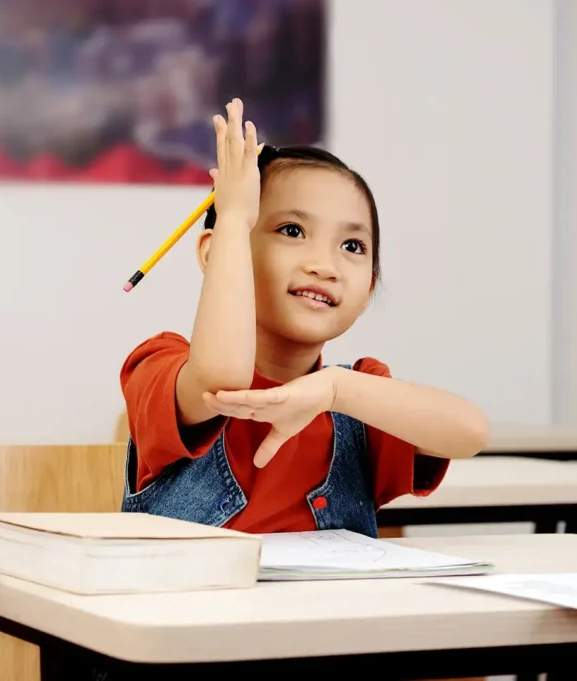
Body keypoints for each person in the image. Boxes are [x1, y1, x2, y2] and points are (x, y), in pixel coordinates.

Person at [120, 99, 490, 536]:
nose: (325, 265)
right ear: (216, 252)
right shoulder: (159, 363)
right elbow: (222, 378)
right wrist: (234, 219)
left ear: (368, 286)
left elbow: (470, 431)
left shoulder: (358, 395)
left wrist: (338, 388)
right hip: (195, 605)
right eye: (292, 231)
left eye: (352, 247)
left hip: (326, 606)